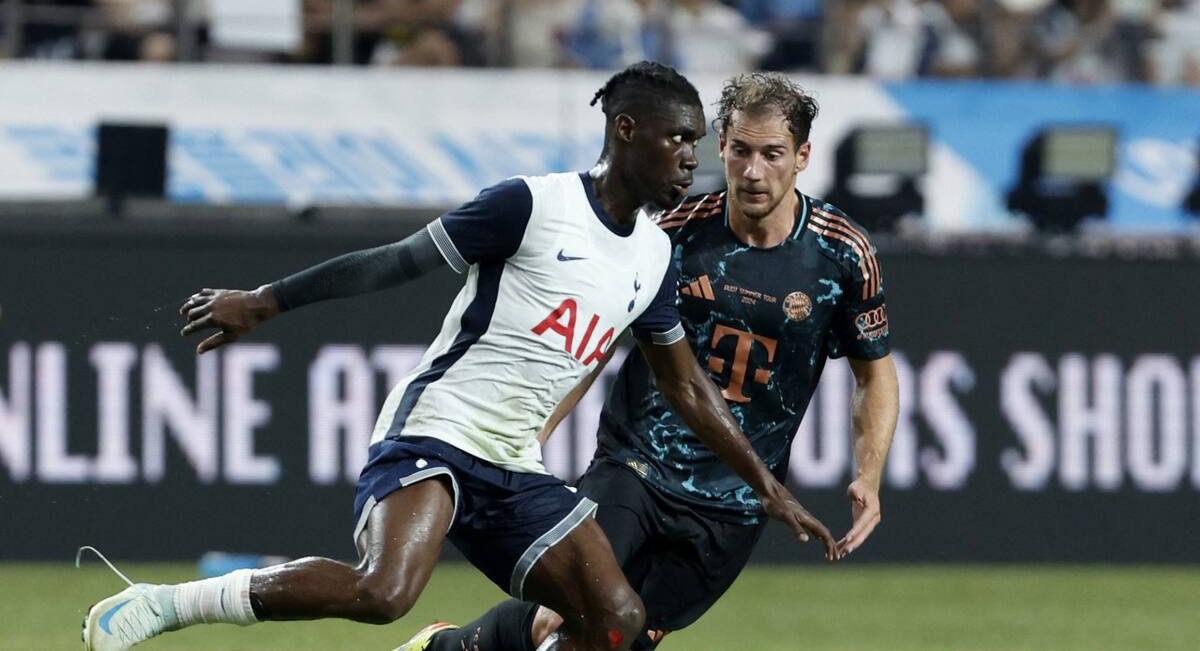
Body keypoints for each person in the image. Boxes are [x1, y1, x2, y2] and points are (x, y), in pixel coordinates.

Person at [80, 62, 837, 651]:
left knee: (616, 618)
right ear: (627, 130)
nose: (689, 161)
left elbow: (686, 387)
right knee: (384, 592)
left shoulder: (652, 255)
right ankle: (162, 603)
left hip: (515, 462)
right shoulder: (530, 204)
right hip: (438, 430)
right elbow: (393, 261)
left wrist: (766, 486)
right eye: (679, 140)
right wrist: (265, 299)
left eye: (697, 145)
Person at [406, 71, 899, 651]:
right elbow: (594, 345)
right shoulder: (670, 236)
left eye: (772, 154)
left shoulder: (841, 252)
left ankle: (444, 647)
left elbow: (874, 371)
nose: (752, 170)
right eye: (739, 150)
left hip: (736, 500)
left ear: (802, 157)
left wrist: (869, 473)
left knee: (621, 638)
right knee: (568, 614)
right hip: (635, 466)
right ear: (721, 147)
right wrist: (532, 429)